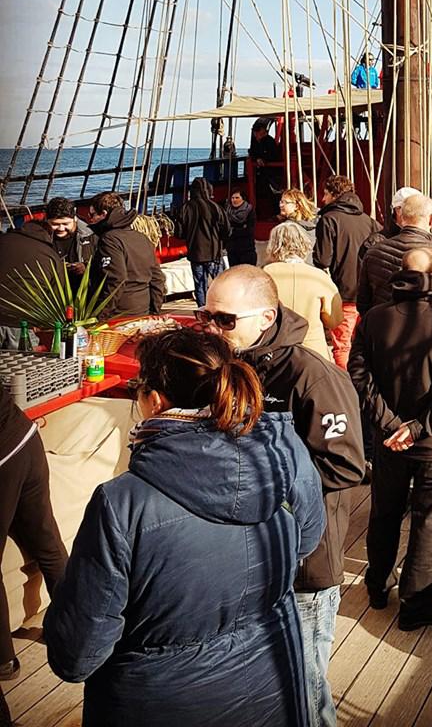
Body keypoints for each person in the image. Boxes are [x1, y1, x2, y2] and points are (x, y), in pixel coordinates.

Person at [43, 329, 325, 727]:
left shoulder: (122, 503)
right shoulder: (283, 451)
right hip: (270, 685)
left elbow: (77, 656)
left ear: (155, 400)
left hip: (157, 703)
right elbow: (306, 540)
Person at [203, 266, 364, 727]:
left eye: (225, 319)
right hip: (248, 554)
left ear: (266, 317)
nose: (212, 328)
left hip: (304, 564)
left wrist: (260, 487)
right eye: (205, 316)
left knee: (304, 688)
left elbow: (345, 465)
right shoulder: (231, 364)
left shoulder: (313, 377)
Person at [349, 248, 432, 629]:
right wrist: (418, 427)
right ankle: (416, 605)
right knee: (428, 520)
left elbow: (360, 376)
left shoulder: (374, 318)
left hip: (389, 440)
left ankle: (377, 584)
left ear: (401, 273)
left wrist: (391, 425)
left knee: (384, 511)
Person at [1, 387, 68, 682]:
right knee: (47, 541)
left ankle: (4, 661)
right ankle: (74, 633)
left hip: (4, 456)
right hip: (24, 435)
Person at [357, 193, 432, 316]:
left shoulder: (374, 253)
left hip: (384, 323)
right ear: (431, 218)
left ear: (402, 217)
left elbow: (363, 303)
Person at [313, 175, 380, 369]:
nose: (323, 199)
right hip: (370, 292)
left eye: (325, 194)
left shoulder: (329, 220)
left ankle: (346, 383)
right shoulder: (370, 222)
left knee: (342, 345)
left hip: (344, 292)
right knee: (364, 344)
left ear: (334, 195)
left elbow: (323, 260)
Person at [264, 222, 343, 362]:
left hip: (274, 349)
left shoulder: (264, 274)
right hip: (313, 351)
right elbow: (334, 320)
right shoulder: (319, 276)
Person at [88, 192, 166, 319]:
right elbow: (157, 277)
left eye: (92, 215)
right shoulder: (141, 237)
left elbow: (116, 279)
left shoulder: (109, 239)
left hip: (119, 312)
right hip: (142, 308)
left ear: (103, 214)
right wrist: (155, 310)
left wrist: (100, 314)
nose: (90, 219)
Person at [0, 220, 64, 329]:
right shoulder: (51, 256)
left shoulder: (3, 240)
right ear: (50, 235)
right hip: (25, 323)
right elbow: (56, 299)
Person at [178, 177, 229, 307]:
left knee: (200, 285)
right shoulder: (215, 207)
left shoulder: (185, 208)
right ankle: (223, 307)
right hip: (214, 251)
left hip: (195, 253)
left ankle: (202, 311)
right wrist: (220, 241)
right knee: (221, 283)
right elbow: (227, 229)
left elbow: (179, 233)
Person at [45, 197, 96, 290]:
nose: (61, 228)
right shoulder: (39, 237)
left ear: (75, 218)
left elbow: (104, 265)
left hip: (84, 290)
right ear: (46, 221)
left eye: (66, 224)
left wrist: (86, 267)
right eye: (55, 224)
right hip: (52, 289)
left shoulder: (91, 235)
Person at [249, 119, 281, 219]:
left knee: (274, 193)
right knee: (260, 193)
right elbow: (252, 153)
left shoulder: (269, 141)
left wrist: (263, 159)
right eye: (261, 133)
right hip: (261, 173)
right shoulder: (255, 142)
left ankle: (276, 213)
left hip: (272, 173)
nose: (263, 135)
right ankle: (259, 213)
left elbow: (274, 155)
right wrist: (257, 158)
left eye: (264, 133)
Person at [225, 189, 257, 267]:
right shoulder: (227, 211)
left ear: (243, 199)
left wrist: (233, 230)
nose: (234, 200)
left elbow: (249, 230)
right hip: (232, 250)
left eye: (237, 197)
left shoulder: (249, 211)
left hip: (246, 249)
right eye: (232, 198)